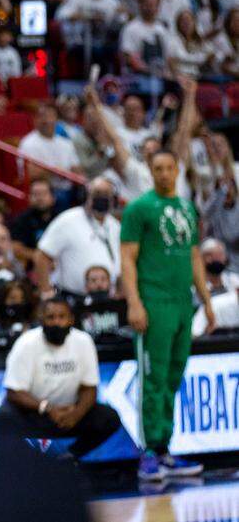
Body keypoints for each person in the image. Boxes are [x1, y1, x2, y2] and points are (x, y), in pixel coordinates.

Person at [121, 149, 216, 480]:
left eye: (168, 168)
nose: (163, 173)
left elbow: (193, 257)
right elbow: (127, 258)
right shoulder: (139, 209)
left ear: (177, 171)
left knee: (174, 377)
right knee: (154, 377)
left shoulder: (187, 208)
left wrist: (206, 300)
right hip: (153, 301)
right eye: (157, 168)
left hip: (182, 303)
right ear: (150, 171)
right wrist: (134, 301)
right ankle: (149, 452)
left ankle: (166, 449)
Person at [0, 296, 122, 460]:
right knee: (3, 417)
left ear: (71, 320)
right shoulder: (26, 343)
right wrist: (48, 408)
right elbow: (14, 392)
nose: (56, 322)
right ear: (42, 320)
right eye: (51, 317)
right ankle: (26, 463)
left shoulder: (83, 341)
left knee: (108, 418)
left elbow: (89, 388)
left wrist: (77, 413)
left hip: (71, 413)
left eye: (62, 317)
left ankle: (69, 457)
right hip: (36, 412)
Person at [35, 177, 120, 299]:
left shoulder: (115, 226)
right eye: (97, 193)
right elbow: (41, 255)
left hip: (107, 298)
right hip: (72, 297)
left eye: (106, 194)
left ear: (114, 199)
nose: (102, 198)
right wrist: (46, 291)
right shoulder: (68, 220)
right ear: (86, 196)